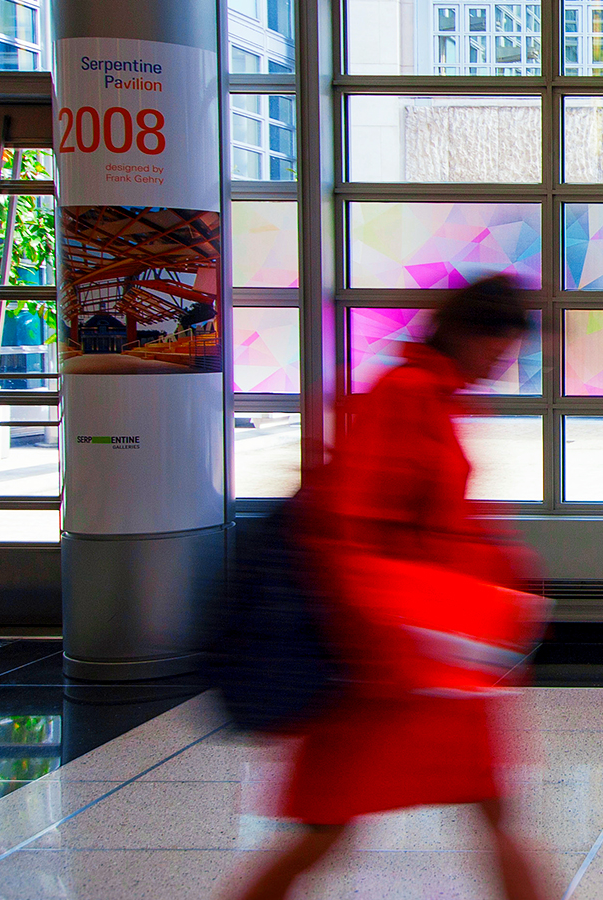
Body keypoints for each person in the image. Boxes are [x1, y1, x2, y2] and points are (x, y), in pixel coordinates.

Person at [228, 275, 546, 900]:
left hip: (432, 658)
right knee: (324, 828)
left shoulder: (436, 396)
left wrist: (499, 576)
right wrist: (376, 642)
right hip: (387, 664)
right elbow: (350, 525)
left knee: (486, 809)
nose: (501, 364)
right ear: (464, 332)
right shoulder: (406, 395)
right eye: (498, 349)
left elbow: (435, 520)